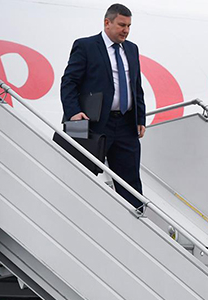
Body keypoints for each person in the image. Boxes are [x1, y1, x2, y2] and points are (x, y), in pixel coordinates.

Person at [60, 3, 145, 209]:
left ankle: (136, 222)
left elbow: (136, 86)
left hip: (126, 125)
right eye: (122, 25)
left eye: (129, 26)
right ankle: (74, 215)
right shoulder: (86, 46)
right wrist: (73, 112)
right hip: (92, 123)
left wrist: (140, 118)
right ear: (107, 23)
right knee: (82, 175)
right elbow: (69, 82)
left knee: (130, 181)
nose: (126, 30)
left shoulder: (132, 49)